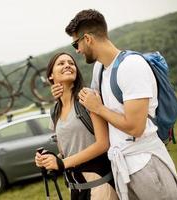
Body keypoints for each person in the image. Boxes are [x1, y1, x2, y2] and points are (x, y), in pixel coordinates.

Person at [52, 9, 177, 200]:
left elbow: (136, 128)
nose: (76, 50)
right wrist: (61, 91)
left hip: (146, 163)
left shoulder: (131, 66)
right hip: (122, 169)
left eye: (75, 43)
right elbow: (88, 100)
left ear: (87, 39)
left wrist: (100, 109)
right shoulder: (100, 69)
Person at [35, 52, 118, 200]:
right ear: (50, 76)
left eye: (71, 63)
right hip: (75, 189)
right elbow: (67, 151)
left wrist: (63, 163)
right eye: (61, 63)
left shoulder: (87, 97)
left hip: (99, 185)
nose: (67, 65)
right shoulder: (55, 110)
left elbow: (103, 144)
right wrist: (50, 159)